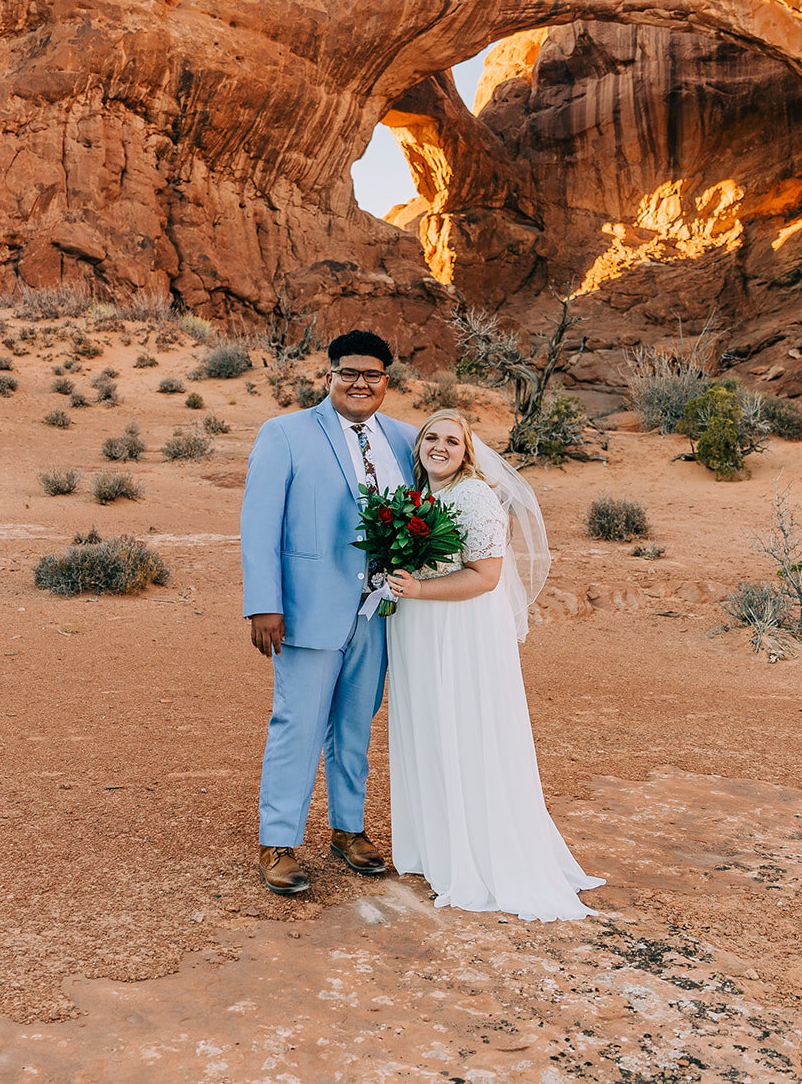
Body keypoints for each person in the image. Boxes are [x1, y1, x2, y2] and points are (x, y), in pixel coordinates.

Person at [385, 408, 605, 921]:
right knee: (432, 729)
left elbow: (485, 578)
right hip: (420, 629)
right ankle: (440, 849)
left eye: (453, 442)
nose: (440, 447)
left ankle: (479, 855)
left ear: (468, 452)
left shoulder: (476, 497)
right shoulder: (421, 498)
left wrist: (418, 587)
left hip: (458, 632)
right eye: (432, 438)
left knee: (466, 730)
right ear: (419, 445)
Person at [241, 329, 417, 896]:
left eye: (372, 375)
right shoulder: (286, 433)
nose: (360, 383)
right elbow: (259, 523)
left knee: (355, 725)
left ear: (386, 382)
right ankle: (278, 841)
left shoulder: (407, 440)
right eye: (349, 373)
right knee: (298, 721)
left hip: (381, 612)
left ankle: (348, 829)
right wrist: (264, 604)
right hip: (307, 610)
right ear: (330, 376)